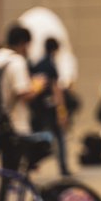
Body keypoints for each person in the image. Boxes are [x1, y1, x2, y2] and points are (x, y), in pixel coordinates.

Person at [0, 24, 48, 201]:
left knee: (7, 174)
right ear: (23, 42)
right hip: (17, 127)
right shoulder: (16, 63)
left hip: (4, 126)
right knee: (16, 173)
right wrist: (38, 86)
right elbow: (23, 93)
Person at [30, 37, 71, 176]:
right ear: (55, 49)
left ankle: (32, 164)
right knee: (60, 137)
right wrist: (62, 111)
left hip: (39, 108)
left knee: (38, 136)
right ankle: (63, 167)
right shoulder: (51, 65)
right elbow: (56, 89)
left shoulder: (38, 64)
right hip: (51, 107)